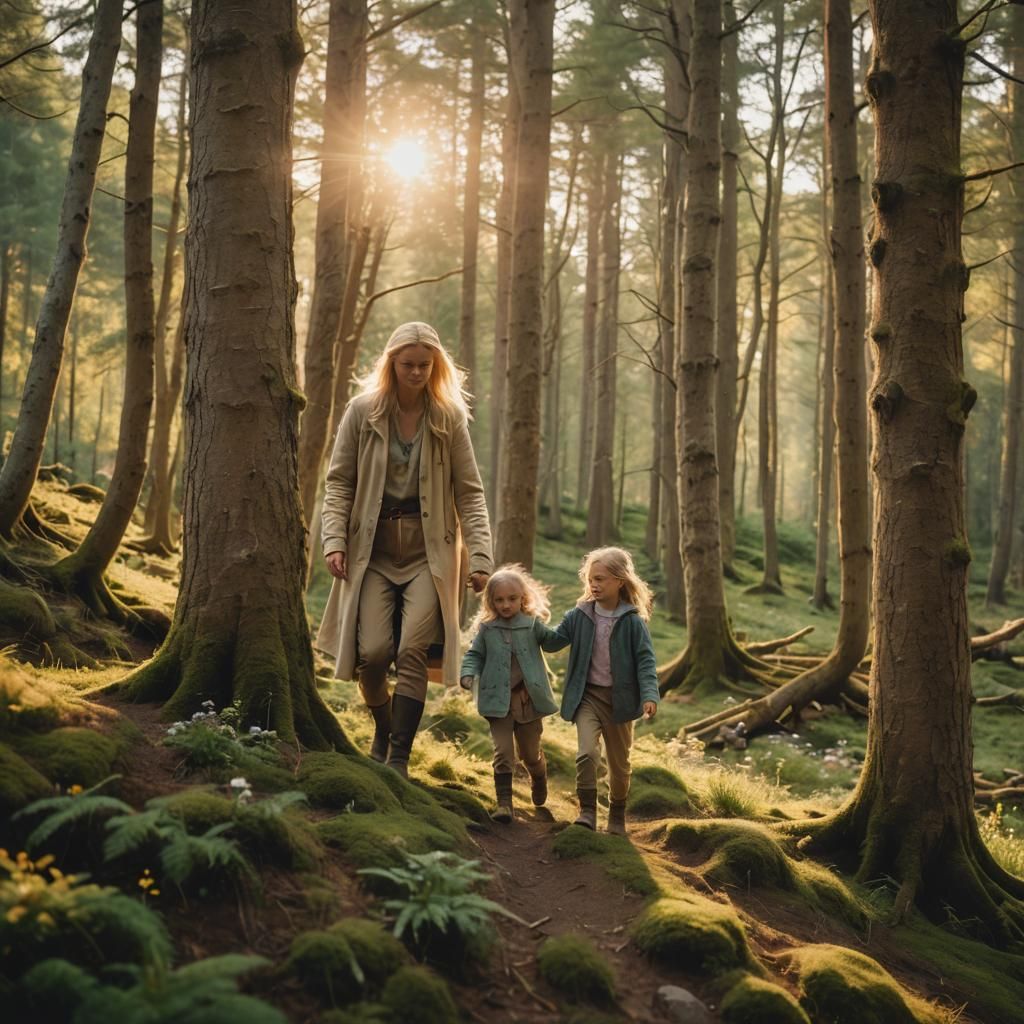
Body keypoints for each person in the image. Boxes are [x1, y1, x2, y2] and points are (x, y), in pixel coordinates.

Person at [316, 322, 492, 777]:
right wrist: (334, 540)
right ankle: (384, 725)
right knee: (373, 654)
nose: (415, 372)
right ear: (391, 363)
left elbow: (470, 493)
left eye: (424, 365)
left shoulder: (448, 417)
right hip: (371, 552)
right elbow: (339, 484)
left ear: (436, 367)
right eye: (407, 364)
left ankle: (398, 760)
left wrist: (480, 557)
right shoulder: (362, 412)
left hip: (429, 555)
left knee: (413, 651)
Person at [542, 547, 659, 835]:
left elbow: (645, 660)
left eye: (601, 579)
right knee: (586, 754)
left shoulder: (632, 621)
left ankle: (616, 814)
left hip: (620, 702)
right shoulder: (579, 615)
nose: (594, 585)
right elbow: (553, 641)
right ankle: (587, 812)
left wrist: (649, 694)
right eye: (591, 579)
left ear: (620, 581)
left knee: (619, 767)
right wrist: (529, 622)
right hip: (588, 697)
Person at [459, 565, 557, 823]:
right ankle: (504, 804)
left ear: (523, 598)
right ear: (490, 601)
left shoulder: (532, 625)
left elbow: (553, 641)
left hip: (528, 701)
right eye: (499, 600)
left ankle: (539, 774)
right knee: (503, 753)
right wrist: (467, 674)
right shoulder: (487, 629)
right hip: (497, 701)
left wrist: (574, 625)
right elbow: (474, 655)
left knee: (529, 755)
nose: (505, 605)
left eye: (512, 599)